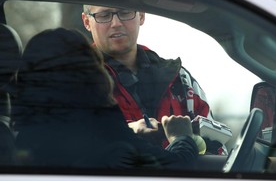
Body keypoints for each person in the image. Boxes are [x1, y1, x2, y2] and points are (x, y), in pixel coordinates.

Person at [10, 28, 204, 169]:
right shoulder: (107, 137)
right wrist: (181, 137)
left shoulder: (21, 139)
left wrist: (132, 134)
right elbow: (175, 166)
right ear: (92, 74)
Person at [81, 5, 219, 153]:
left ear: (141, 16)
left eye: (125, 12)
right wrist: (128, 132)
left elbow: (218, 149)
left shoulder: (181, 79)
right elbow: (69, 144)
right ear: (87, 22)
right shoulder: (71, 81)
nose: (116, 23)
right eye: (104, 15)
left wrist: (193, 142)